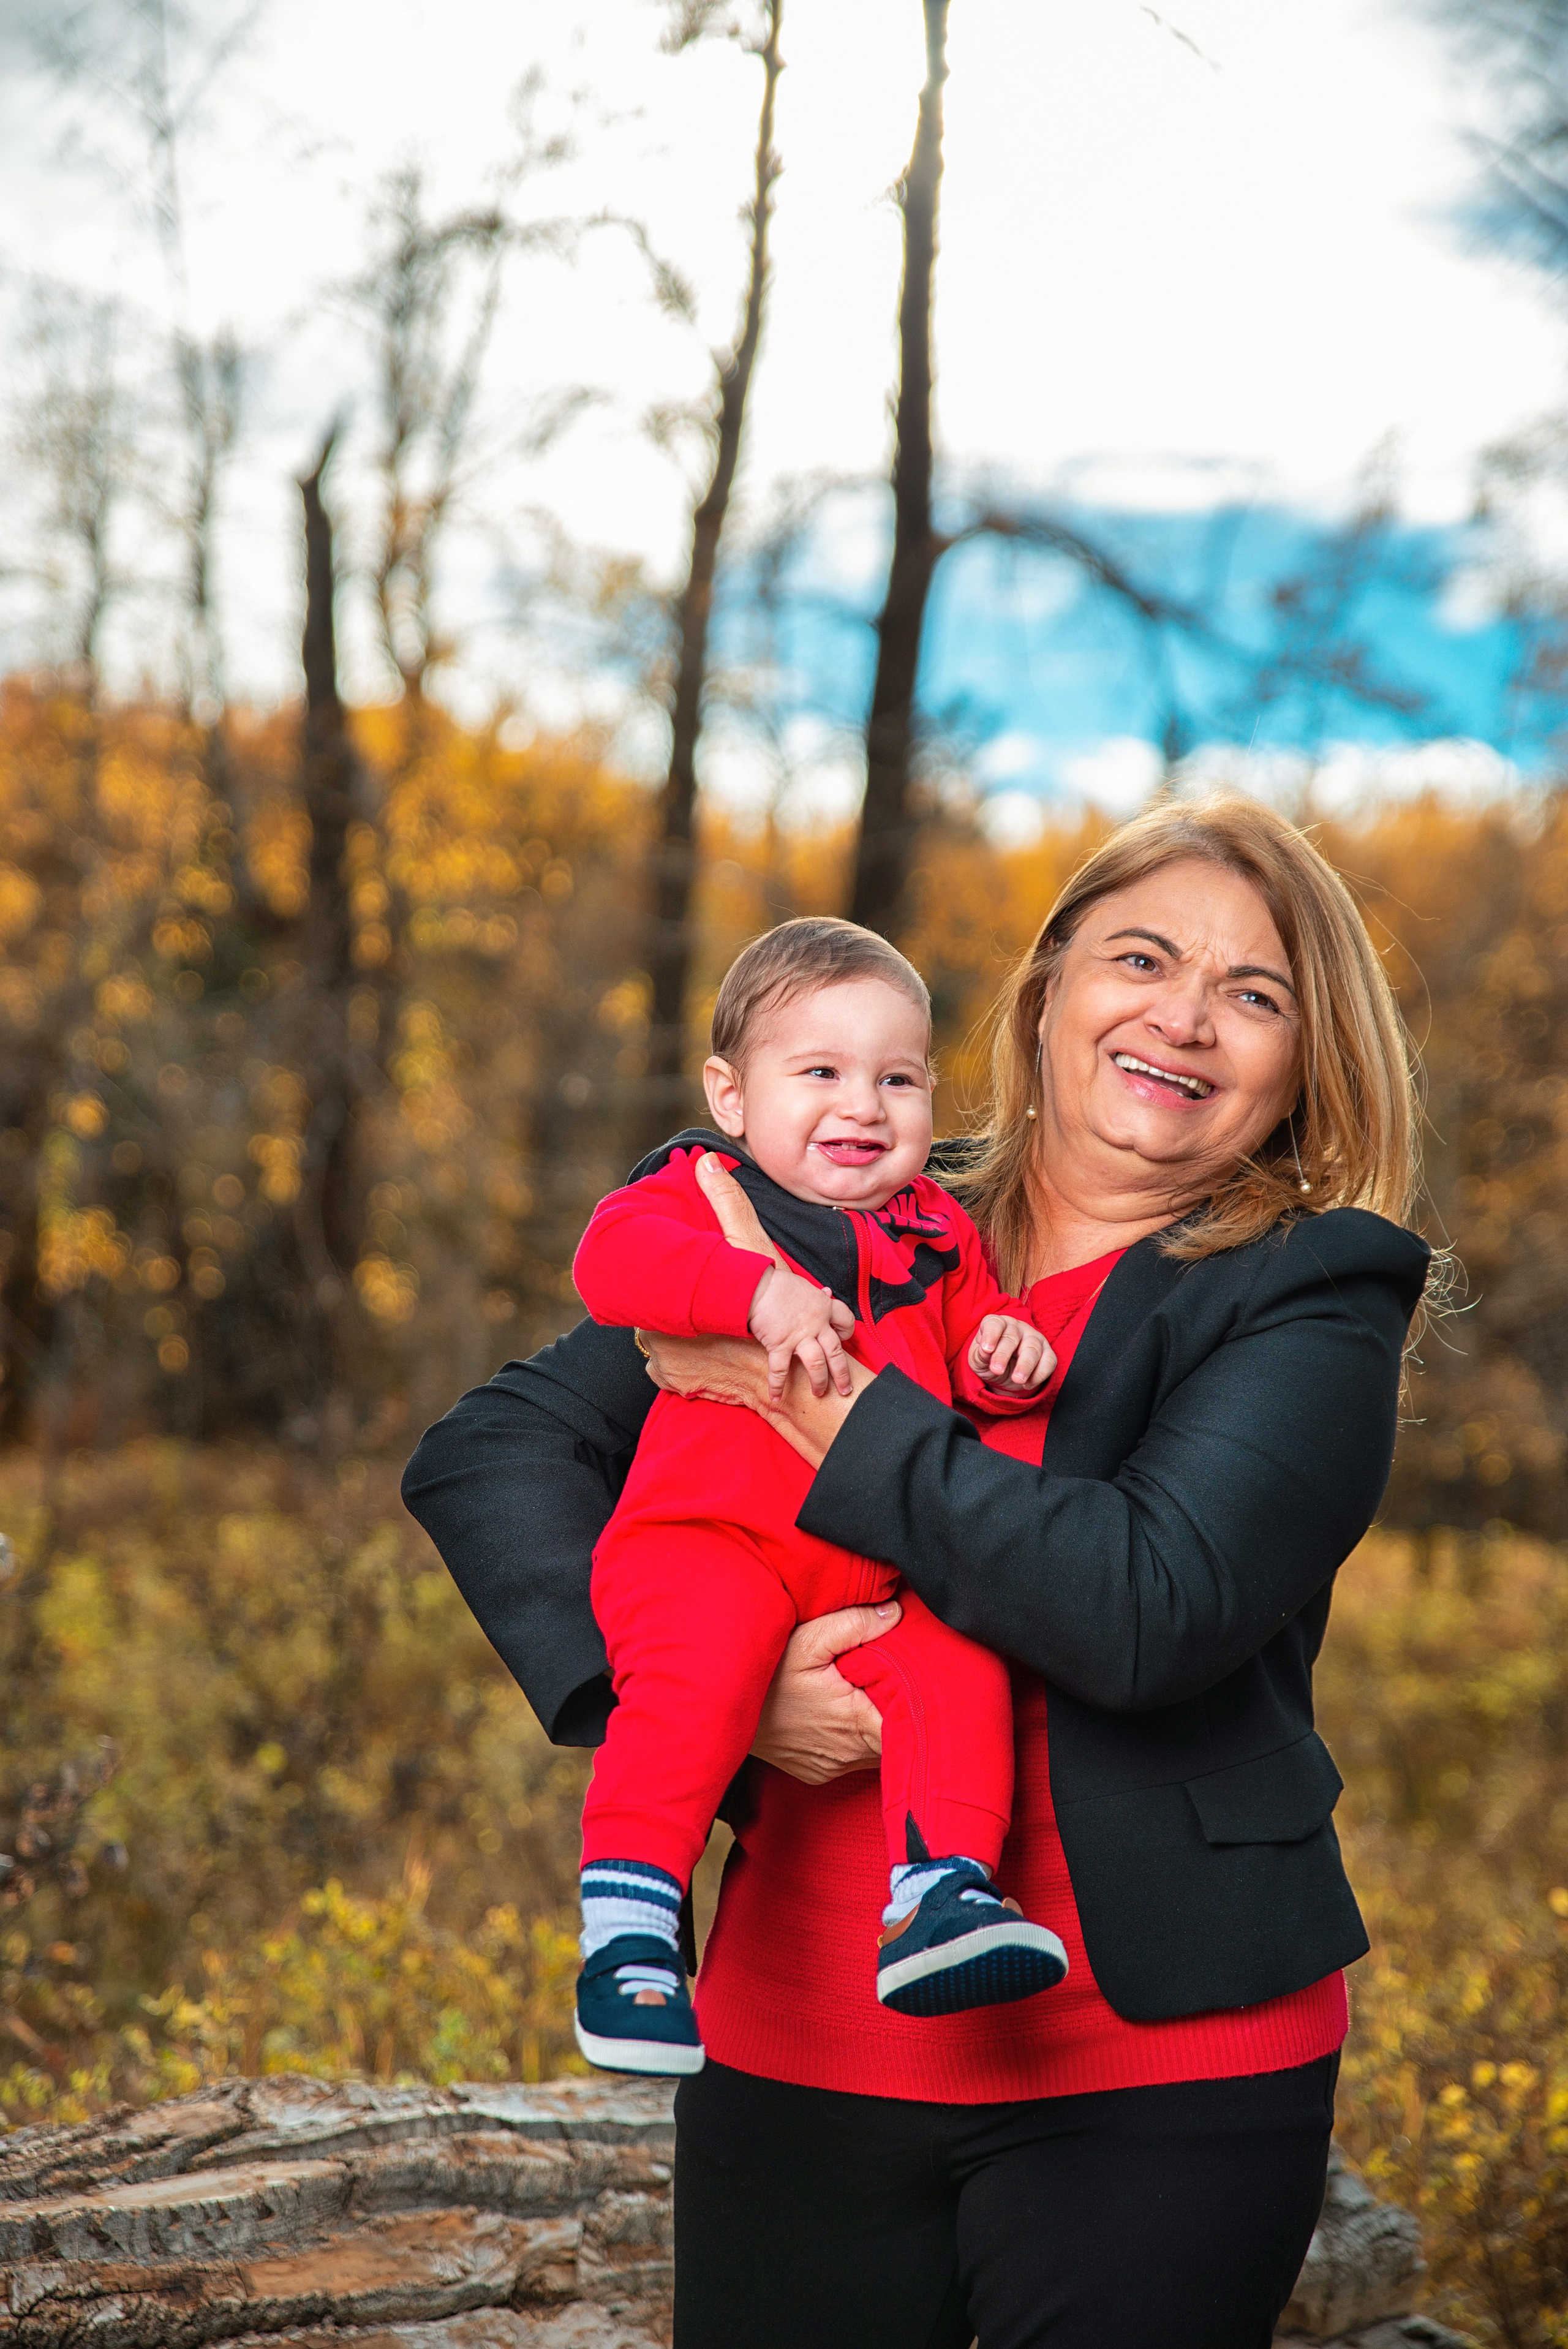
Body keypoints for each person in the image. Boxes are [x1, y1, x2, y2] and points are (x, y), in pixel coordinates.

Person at [403, 795, 1433, 2349]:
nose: (1183, 1017)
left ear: (1304, 1059)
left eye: (1253, 992)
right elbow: (491, 1453)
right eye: (1139, 957)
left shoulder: (1310, 1295)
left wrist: (809, 1401)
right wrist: (701, 1694)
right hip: (791, 2045)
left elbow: (1144, 1606)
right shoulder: (842, 1197)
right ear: (1043, 995)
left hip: (1152, 2069)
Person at [570, 917, 1067, 2079]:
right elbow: (609, 1265)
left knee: (962, 1666)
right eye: (821, 1074)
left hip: (877, 1575)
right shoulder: (703, 1189)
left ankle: (940, 1893)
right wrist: (750, 1298)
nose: (864, 1106)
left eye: (897, 1079)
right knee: (697, 1682)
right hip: (710, 1544)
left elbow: (978, 1335)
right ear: (731, 1095)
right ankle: (632, 1930)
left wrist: (1009, 1345)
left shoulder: (936, 1228)